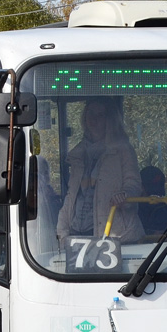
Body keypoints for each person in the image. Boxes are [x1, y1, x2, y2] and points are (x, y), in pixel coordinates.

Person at [56, 99, 143, 244]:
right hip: (76, 232)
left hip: (114, 233)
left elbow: (133, 185)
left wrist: (124, 195)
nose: (93, 119)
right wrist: (62, 230)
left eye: (100, 115)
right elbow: (72, 195)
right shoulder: (78, 154)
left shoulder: (123, 150)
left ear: (110, 120)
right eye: (90, 114)